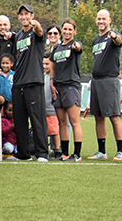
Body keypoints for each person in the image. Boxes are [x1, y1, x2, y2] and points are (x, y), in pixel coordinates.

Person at [8, 4, 49, 162]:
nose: (24, 16)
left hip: (34, 81)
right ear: (18, 17)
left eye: (27, 14)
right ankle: (23, 154)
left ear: (32, 15)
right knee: (20, 120)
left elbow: (39, 31)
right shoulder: (18, 36)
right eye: (21, 14)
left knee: (37, 119)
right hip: (19, 82)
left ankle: (42, 153)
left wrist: (36, 24)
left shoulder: (37, 31)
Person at [88, 10, 122, 161]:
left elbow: (119, 41)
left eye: (104, 19)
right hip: (96, 81)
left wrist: (114, 36)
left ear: (109, 20)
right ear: (96, 20)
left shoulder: (113, 35)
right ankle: (102, 151)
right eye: (99, 18)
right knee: (98, 117)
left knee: (114, 116)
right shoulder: (96, 40)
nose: (101, 21)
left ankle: (120, 151)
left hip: (110, 80)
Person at [49, 19, 83, 162]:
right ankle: (64, 153)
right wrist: (51, 82)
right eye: (65, 29)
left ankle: (77, 155)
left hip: (71, 86)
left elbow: (78, 48)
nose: (67, 32)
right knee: (62, 122)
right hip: (58, 87)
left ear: (74, 31)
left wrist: (76, 46)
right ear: (61, 30)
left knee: (74, 121)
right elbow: (52, 64)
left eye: (70, 29)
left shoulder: (75, 44)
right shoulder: (57, 48)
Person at [43, 56, 61, 159]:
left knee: (54, 131)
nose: (44, 66)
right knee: (44, 131)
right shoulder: (42, 75)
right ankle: (45, 149)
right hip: (43, 108)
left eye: (47, 64)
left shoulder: (53, 76)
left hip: (52, 108)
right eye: (43, 64)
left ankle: (57, 150)